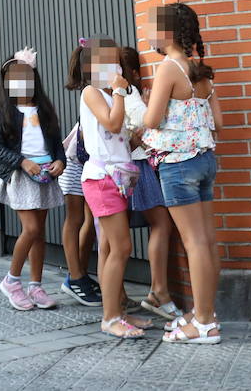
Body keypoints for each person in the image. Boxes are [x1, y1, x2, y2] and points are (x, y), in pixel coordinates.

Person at [143, 2, 222, 345]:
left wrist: (148, 101)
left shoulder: (168, 68)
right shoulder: (199, 69)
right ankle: (204, 312)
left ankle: (204, 324)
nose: (148, 33)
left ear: (167, 32)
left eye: (152, 27)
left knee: (194, 243)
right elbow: (220, 122)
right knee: (205, 240)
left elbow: (151, 120)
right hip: (205, 160)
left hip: (178, 164)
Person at [78, 38, 147, 338]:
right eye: (110, 61)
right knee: (121, 247)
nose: (117, 67)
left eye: (117, 60)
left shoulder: (107, 95)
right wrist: (121, 91)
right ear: (93, 68)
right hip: (101, 179)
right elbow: (112, 123)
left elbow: (121, 138)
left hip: (117, 177)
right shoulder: (91, 92)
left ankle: (118, 311)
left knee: (110, 248)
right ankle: (109, 318)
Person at [0, 47, 65, 311]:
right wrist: (22, 162)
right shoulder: (5, 112)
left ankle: (35, 286)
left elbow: (56, 142)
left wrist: (60, 161)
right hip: (21, 176)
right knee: (31, 229)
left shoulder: (43, 109)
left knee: (39, 233)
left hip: (46, 175)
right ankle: (12, 281)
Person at [121, 45, 181, 321]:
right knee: (161, 224)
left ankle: (129, 296)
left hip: (125, 167)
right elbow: (143, 127)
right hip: (140, 165)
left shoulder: (112, 94)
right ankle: (159, 292)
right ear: (133, 72)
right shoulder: (130, 93)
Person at [59, 39, 103, 307]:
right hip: (77, 164)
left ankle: (82, 274)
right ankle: (74, 277)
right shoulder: (90, 92)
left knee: (90, 222)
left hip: (89, 165)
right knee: (75, 219)